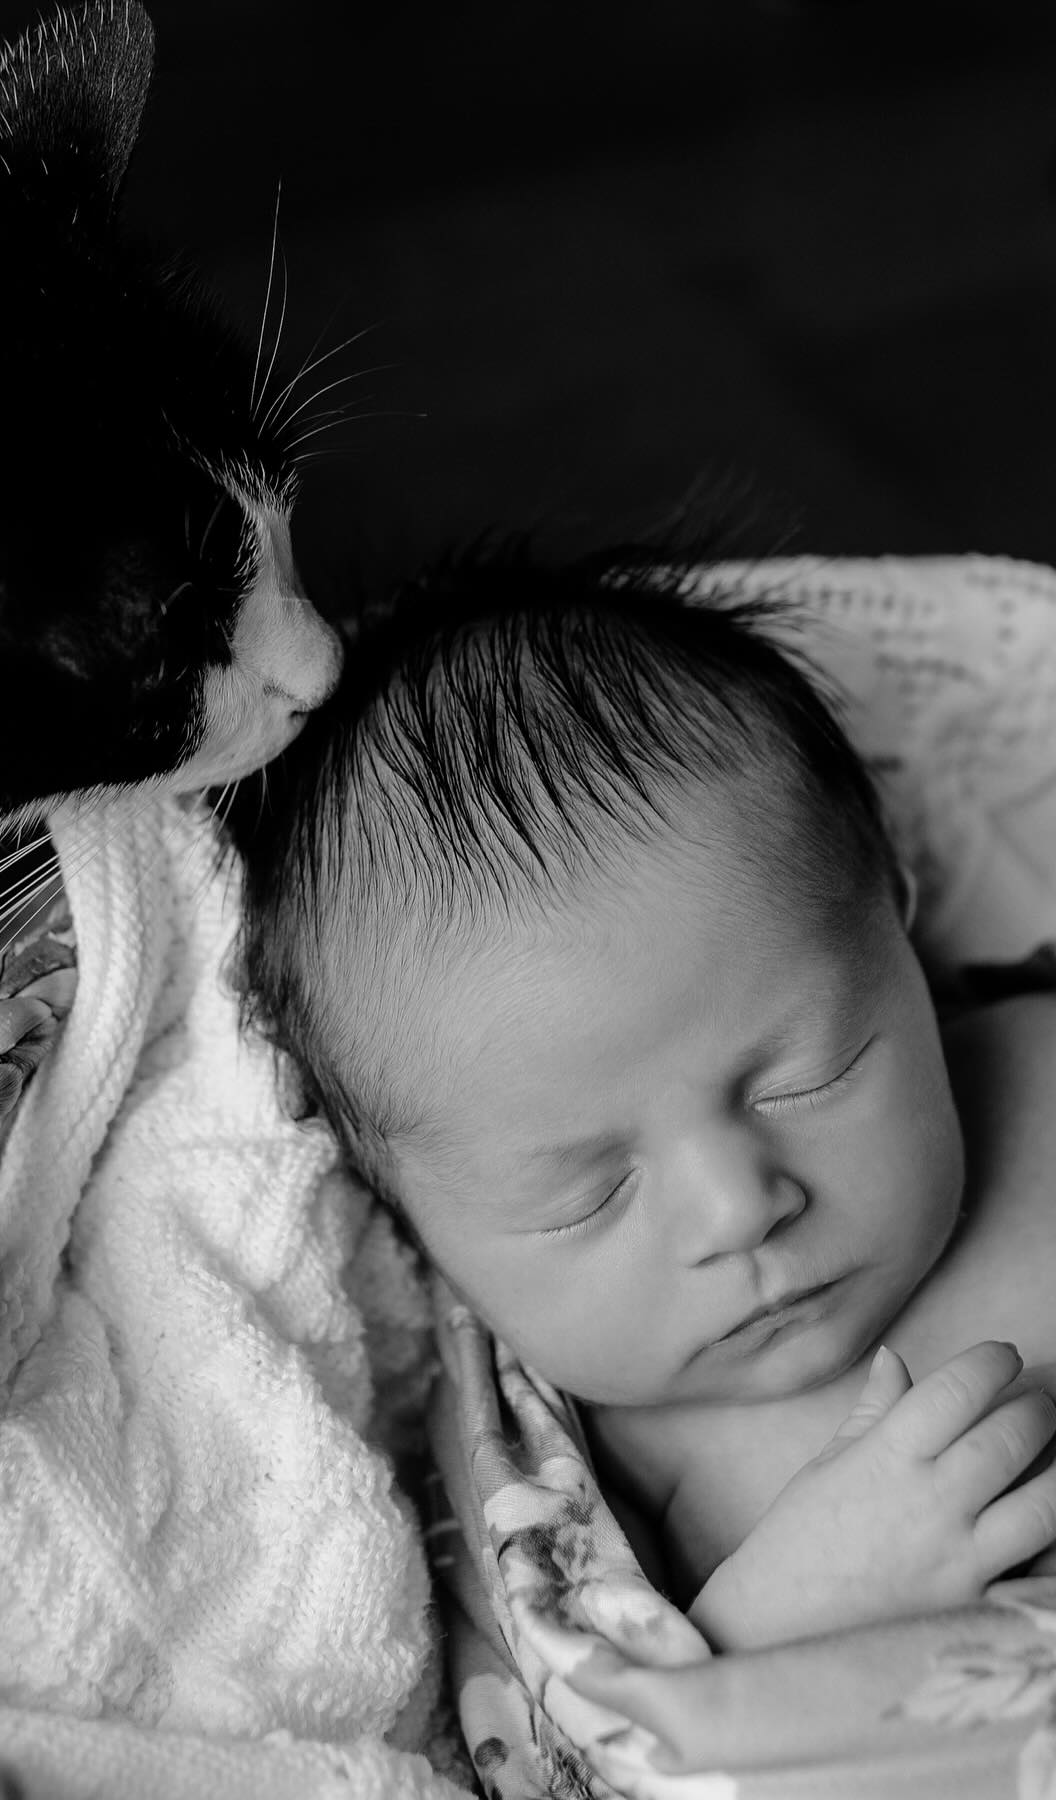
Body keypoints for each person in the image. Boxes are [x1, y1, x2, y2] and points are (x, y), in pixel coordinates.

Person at [233, 543, 1056, 1653]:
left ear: (898, 919)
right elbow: (581, 1752)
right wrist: (782, 1620)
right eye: (587, 1195)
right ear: (406, 1219)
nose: (739, 1209)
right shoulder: (561, 1489)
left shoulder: (1035, 1060)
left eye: (809, 1075)